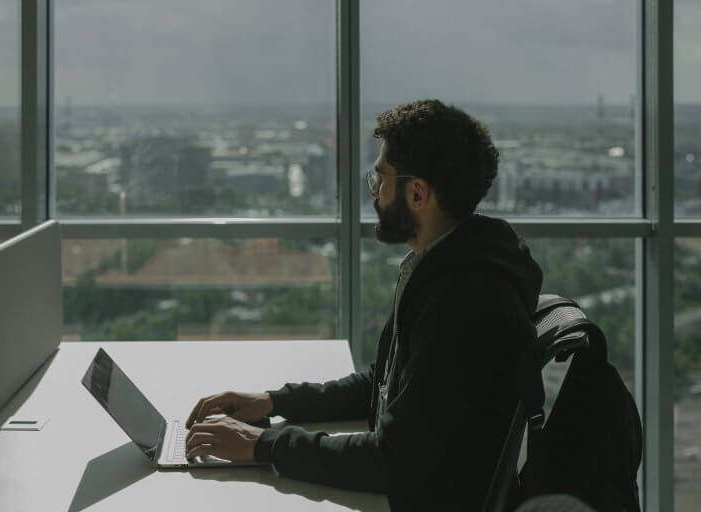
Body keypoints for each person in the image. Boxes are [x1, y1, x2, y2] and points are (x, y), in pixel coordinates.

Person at [185, 99, 543, 510]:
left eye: (380, 177)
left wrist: (263, 444)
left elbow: (390, 461)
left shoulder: (463, 302)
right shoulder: (452, 265)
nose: (372, 189)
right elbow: (383, 384)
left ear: (417, 193)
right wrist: (273, 402)